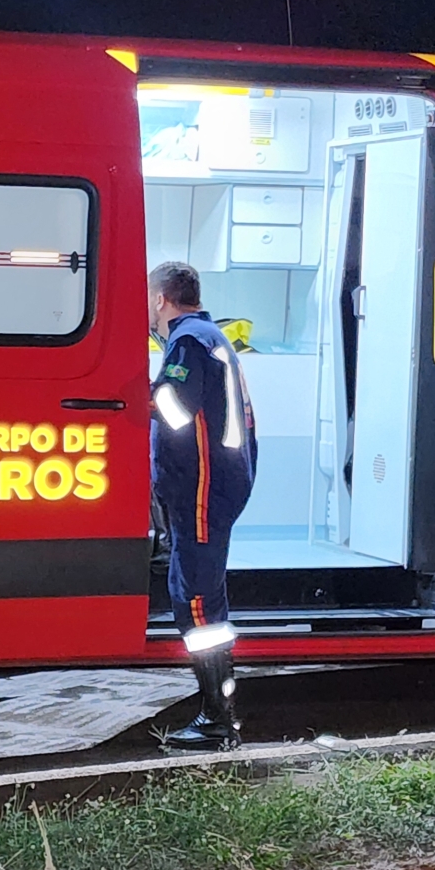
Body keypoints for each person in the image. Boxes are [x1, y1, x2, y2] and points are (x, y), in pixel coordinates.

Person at [148, 262, 257, 750]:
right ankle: (218, 713)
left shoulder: (189, 339)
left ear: (160, 299)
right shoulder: (210, 335)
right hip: (210, 484)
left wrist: (137, 399)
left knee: (196, 598)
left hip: (201, 486)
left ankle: (218, 720)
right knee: (199, 593)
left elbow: (175, 405)